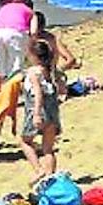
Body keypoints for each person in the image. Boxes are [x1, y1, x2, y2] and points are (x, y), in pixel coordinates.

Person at [19, 39, 61, 183]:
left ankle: (39, 170)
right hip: (52, 111)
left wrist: (36, 113)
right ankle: (50, 176)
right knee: (48, 148)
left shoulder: (33, 72)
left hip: (37, 109)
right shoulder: (50, 70)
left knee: (25, 142)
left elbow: (38, 93)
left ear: (34, 56)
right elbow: (60, 88)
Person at [0, 0, 35, 76]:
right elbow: (34, 32)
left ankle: (1, 85)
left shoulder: (4, 8)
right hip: (14, 32)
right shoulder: (28, 10)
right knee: (16, 67)